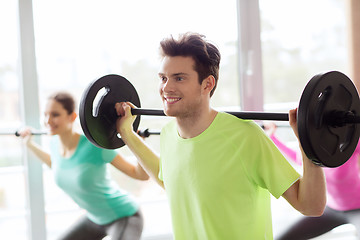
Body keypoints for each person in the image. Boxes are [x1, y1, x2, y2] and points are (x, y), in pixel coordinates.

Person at [114, 32, 327, 239]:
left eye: (179, 78)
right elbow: (171, 181)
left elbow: (310, 206)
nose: (166, 88)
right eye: (163, 78)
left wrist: (308, 142)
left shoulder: (245, 137)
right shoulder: (169, 134)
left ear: (207, 84)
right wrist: (126, 133)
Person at [19, 91, 149, 240]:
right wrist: (29, 144)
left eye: (55, 115)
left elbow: (140, 174)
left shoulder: (94, 145)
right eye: (45, 114)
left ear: (72, 117)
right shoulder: (54, 145)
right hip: (95, 218)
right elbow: (57, 165)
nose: (48, 120)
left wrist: (139, 142)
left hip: (124, 215)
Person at [265, 122, 360, 240]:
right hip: (330, 210)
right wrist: (272, 137)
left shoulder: (348, 146)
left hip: (357, 209)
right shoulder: (313, 153)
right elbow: (297, 158)